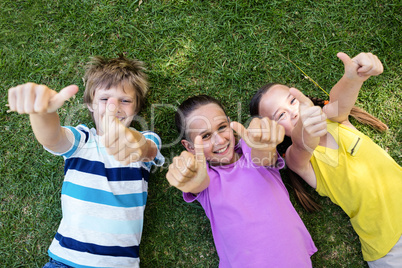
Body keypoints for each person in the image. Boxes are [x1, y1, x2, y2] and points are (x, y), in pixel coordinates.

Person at [7, 55, 164, 268]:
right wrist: (42, 112)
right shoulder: (83, 140)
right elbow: (53, 139)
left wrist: (132, 142)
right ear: (90, 104)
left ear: (136, 109)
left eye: (125, 100)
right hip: (66, 261)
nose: (114, 107)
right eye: (104, 99)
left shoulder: (145, 138)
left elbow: (148, 150)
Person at [250, 52, 402, 267]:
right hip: (389, 244)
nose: (293, 112)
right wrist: (306, 126)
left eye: (292, 101)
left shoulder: (334, 119)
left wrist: (352, 78)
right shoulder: (299, 160)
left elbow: (340, 102)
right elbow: (304, 144)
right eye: (280, 115)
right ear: (277, 132)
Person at [166, 95, 317, 267]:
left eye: (222, 127)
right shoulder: (206, 176)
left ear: (230, 123)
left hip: (293, 259)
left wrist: (264, 145)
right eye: (206, 136)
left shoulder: (250, 148)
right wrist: (190, 180)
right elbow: (197, 183)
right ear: (190, 147)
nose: (220, 140)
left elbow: (263, 156)